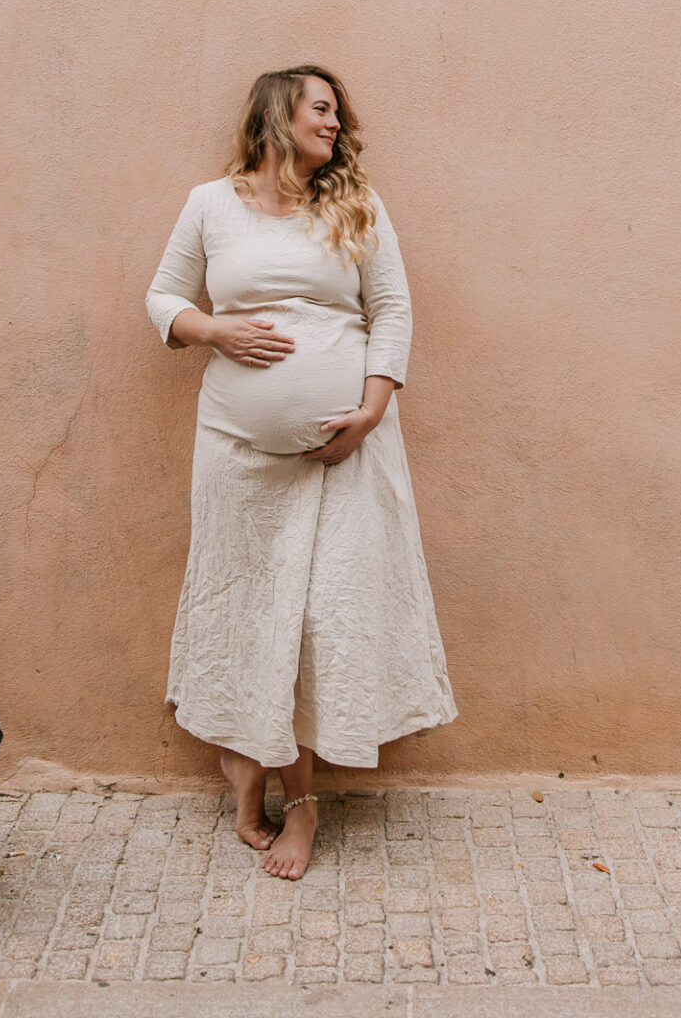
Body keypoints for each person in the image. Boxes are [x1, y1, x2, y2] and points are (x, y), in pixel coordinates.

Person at [145, 65, 456, 879]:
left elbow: (392, 308)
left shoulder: (356, 200)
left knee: (320, 622)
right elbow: (162, 299)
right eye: (323, 109)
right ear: (279, 114)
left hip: (344, 455)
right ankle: (246, 769)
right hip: (237, 453)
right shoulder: (211, 202)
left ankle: (303, 804)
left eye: (337, 112)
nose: (337, 123)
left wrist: (374, 407)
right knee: (249, 611)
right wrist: (215, 332)